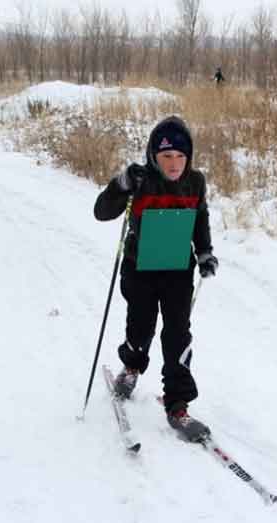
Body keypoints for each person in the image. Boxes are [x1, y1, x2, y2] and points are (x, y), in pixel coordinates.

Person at [94, 116, 219, 442]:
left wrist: (205, 253)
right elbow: (102, 212)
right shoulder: (139, 180)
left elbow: (200, 218)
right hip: (140, 267)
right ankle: (132, 368)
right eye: (166, 156)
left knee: (178, 334)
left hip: (178, 269)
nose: (174, 163)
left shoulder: (196, 182)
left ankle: (177, 405)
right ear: (154, 155)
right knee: (140, 326)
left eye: (181, 156)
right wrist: (119, 184)